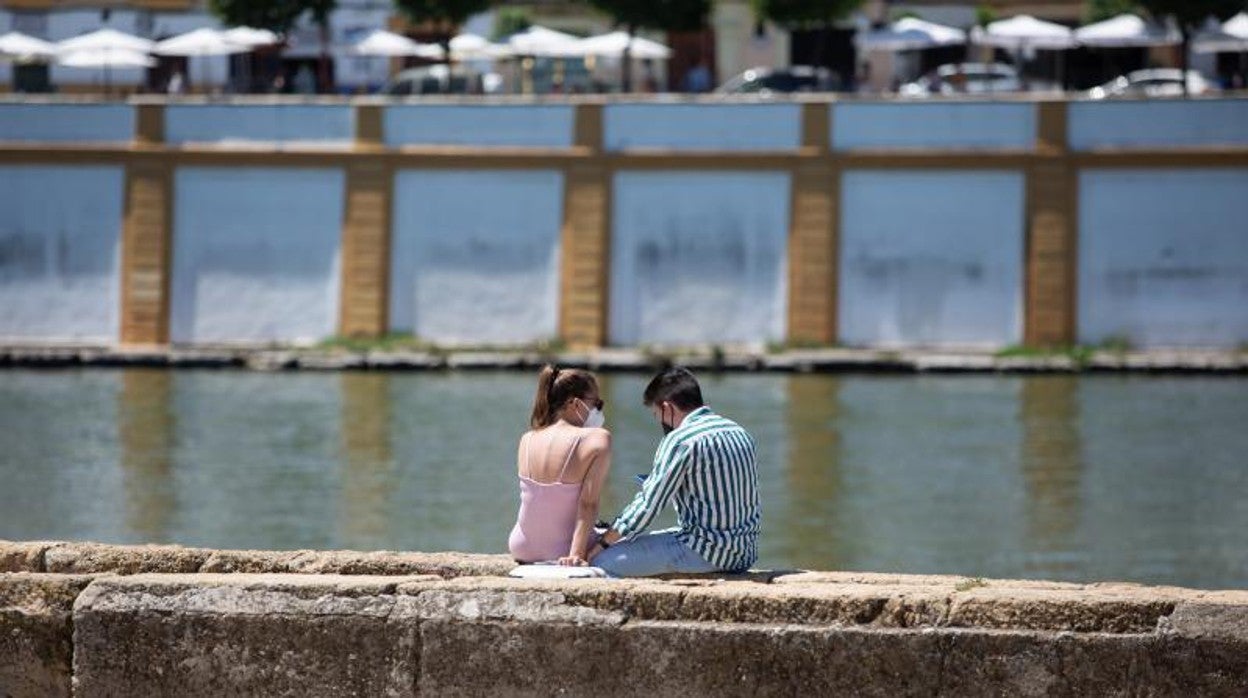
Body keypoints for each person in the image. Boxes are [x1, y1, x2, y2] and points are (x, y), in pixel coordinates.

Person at [589, 367, 760, 577]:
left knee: (602, 562)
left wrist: (604, 543)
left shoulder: (680, 440)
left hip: (705, 552)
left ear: (666, 407)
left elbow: (649, 506)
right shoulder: (739, 432)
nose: (660, 422)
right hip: (744, 553)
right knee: (633, 541)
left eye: (656, 414)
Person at [508, 365, 612, 566]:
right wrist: (576, 555)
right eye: (597, 403)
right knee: (621, 538)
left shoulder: (527, 438)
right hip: (563, 549)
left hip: (521, 546)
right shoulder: (598, 439)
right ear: (575, 403)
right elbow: (588, 503)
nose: (598, 410)